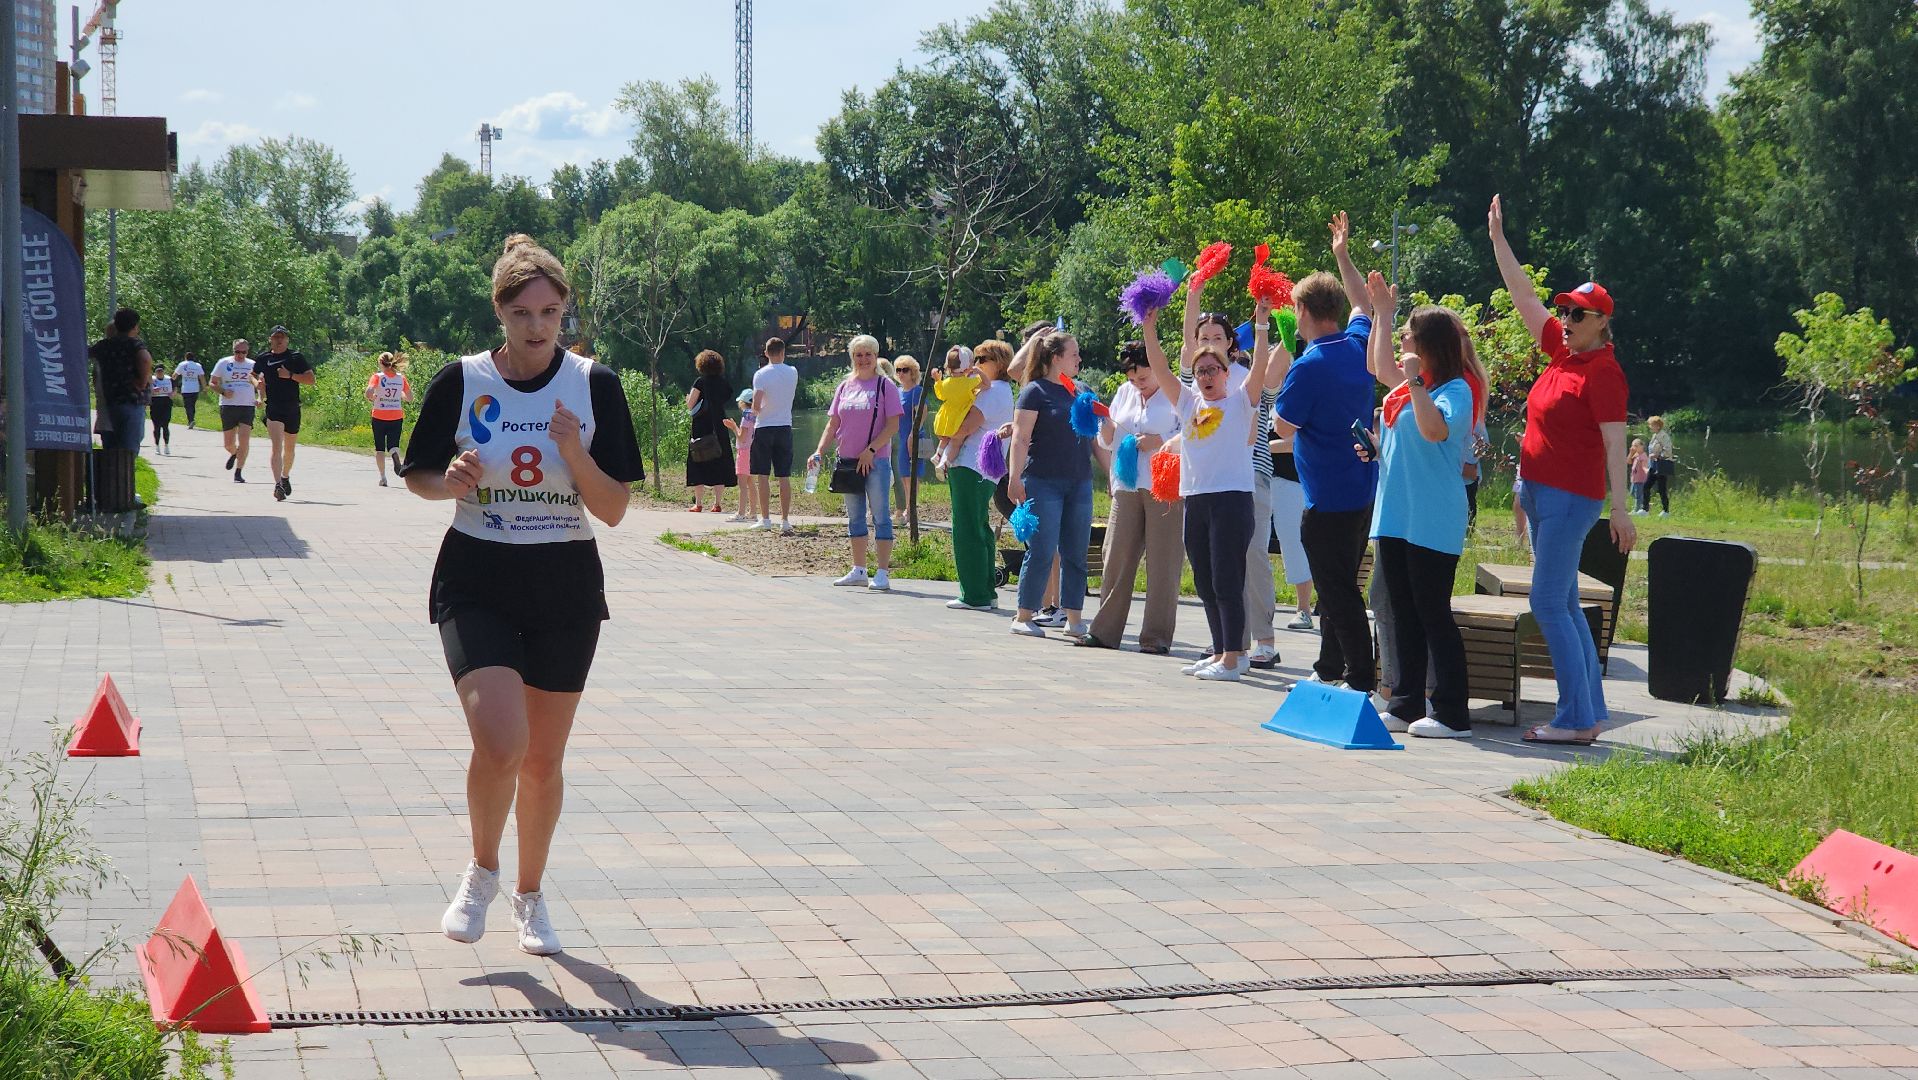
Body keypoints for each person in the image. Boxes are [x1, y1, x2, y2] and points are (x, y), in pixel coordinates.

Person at [403, 234, 645, 956]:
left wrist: (575, 455)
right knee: (502, 740)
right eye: (523, 313)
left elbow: (614, 508)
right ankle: (481, 872)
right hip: (477, 576)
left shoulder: (594, 385)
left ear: (565, 310)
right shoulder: (463, 379)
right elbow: (416, 471)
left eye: (551, 311)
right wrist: (444, 480)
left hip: (563, 583)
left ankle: (531, 898)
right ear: (500, 313)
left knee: (542, 761)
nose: (538, 327)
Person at [1489, 194, 1635, 744]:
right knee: (1566, 603)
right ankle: (1589, 713)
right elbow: (1522, 295)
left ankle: (1575, 719)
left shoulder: (1603, 372)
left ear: (1603, 324)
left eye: (1579, 314)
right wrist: (1500, 240)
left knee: (1548, 602)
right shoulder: (1561, 354)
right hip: (1541, 493)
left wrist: (1621, 510)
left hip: (1573, 499)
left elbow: (1614, 440)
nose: (1567, 319)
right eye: (1566, 311)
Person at [1142, 289, 1286, 681]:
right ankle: (1222, 649)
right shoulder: (1188, 404)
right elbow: (1162, 368)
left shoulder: (1241, 401)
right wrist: (1149, 329)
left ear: (1226, 372)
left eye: (1213, 370)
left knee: (1226, 577)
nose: (1206, 376)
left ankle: (1235, 657)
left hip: (1233, 499)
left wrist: (1261, 323)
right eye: (1201, 370)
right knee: (1205, 579)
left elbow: (1258, 367)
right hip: (1197, 499)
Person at [1358, 272, 1480, 738]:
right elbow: (1378, 364)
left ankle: (1452, 712)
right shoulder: (1410, 388)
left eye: (1409, 334)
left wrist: (1412, 381)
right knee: (1404, 612)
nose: (1403, 342)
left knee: (1433, 614)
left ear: (1428, 347)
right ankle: (1407, 702)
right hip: (1395, 516)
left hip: (1431, 521)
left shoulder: (1454, 391)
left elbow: (1434, 431)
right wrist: (1383, 315)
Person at [1270, 213, 1379, 692]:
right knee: (1343, 584)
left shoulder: (1308, 366)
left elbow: (1282, 425)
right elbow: (1363, 302)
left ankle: (1359, 677)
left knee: (1335, 593)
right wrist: (1342, 254)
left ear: (1305, 312)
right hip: (1361, 493)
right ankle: (1329, 667)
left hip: (1327, 499)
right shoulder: (1359, 344)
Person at [1082, 341, 1181, 653]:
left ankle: (1156, 636)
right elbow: (1108, 439)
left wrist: (1161, 440)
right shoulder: (1124, 393)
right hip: (1126, 484)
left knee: (1163, 560)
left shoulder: (1176, 390)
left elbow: (1191, 432)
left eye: (1144, 377)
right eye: (1133, 378)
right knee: (1116, 555)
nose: (1139, 384)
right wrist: (1106, 426)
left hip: (1164, 485)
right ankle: (1104, 631)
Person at [1005, 327, 1096, 639]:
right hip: (1043, 482)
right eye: (1074, 354)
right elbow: (1020, 438)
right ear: (1057, 358)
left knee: (1076, 551)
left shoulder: (1082, 391)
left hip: (1080, 483)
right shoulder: (1035, 391)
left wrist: (1112, 473)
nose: (1079, 359)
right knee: (1042, 549)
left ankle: (1074, 618)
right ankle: (1023, 614)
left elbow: (1094, 437)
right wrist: (1015, 478)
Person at [811, 336, 904, 590]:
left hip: (876, 462)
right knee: (854, 517)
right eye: (858, 355)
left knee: (881, 516)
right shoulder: (844, 387)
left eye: (868, 354)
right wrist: (819, 451)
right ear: (853, 358)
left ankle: (883, 573)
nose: (863, 359)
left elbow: (893, 425)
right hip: (848, 462)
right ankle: (859, 569)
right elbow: (833, 424)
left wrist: (871, 450)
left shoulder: (886, 386)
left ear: (876, 356)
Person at [945, 341, 1015, 612]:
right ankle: (986, 590)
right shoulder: (1001, 390)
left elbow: (966, 425)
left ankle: (974, 594)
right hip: (984, 467)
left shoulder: (993, 390)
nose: (975, 362)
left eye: (982, 358)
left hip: (971, 464)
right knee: (979, 525)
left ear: (999, 362)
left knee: (966, 528)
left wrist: (946, 445)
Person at [256, 326, 314, 502]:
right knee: (277, 446)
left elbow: (311, 380)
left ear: (287, 340)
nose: (279, 340)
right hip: (274, 406)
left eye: (282, 337)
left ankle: (285, 476)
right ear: (270, 340)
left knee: (289, 449)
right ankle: (277, 485)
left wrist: (290, 375)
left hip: (292, 407)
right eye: (276, 337)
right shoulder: (263, 358)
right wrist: (257, 382)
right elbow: (252, 375)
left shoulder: (295, 357)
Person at [750, 337, 799, 535]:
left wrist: (757, 411)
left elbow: (756, 405)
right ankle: (785, 520)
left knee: (763, 474)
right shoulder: (793, 372)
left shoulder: (760, 374)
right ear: (783, 352)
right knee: (783, 475)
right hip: (785, 426)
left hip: (764, 426)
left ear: (766, 353)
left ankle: (766, 519)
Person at [1269, 429, 1315, 630]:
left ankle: (1303, 609)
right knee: (1252, 546)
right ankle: (1258, 608)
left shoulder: (1291, 398)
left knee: (1294, 543)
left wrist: (1260, 448)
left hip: (1291, 478)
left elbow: (1296, 441)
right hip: (1254, 477)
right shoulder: (1251, 398)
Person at [89, 308, 152, 452]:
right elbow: (145, 358)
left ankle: (114, 472)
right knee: (129, 447)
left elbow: (86, 352)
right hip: (132, 400)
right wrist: (142, 381)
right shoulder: (134, 344)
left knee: (112, 447)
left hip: (111, 399)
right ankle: (126, 472)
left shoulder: (105, 345)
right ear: (135, 326)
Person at [684, 350, 735, 513]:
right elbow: (726, 397)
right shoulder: (723, 383)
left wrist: (687, 399)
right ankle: (717, 503)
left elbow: (691, 404)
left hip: (701, 425)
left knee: (698, 461)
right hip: (719, 425)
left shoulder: (700, 382)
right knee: (718, 462)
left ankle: (698, 504)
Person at [210, 339, 258, 483]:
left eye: (244, 352)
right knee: (228, 444)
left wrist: (260, 398)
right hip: (228, 405)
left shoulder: (252, 365)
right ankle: (234, 453)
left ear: (247, 352)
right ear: (233, 351)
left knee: (244, 441)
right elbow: (212, 383)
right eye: (237, 352)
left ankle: (238, 472)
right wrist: (223, 391)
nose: (240, 355)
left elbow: (260, 384)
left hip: (247, 406)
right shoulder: (224, 363)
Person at [931, 346, 983, 472]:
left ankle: (938, 454)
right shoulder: (968, 382)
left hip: (946, 416)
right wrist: (979, 372)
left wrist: (938, 380)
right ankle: (945, 463)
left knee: (945, 438)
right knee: (957, 442)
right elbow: (985, 384)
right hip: (959, 417)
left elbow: (940, 395)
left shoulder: (947, 382)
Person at [365, 351, 413, 487]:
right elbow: (410, 398)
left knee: (379, 448)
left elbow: (368, 392)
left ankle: (383, 477)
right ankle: (395, 456)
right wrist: (401, 396)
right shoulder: (401, 378)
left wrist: (372, 397)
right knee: (393, 444)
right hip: (396, 415)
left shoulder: (377, 377)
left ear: (381, 363)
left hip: (379, 415)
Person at [890, 355, 923, 520]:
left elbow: (922, 414)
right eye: (898, 370)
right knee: (903, 474)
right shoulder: (897, 391)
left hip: (912, 437)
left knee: (912, 474)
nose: (901, 373)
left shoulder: (917, 391)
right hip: (900, 436)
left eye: (905, 370)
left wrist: (913, 434)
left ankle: (911, 510)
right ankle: (908, 508)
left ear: (913, 372)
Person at [727, 388, 759, 522]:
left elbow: (741, 437)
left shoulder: (746, 415)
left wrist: (734, 427)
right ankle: (752, 512)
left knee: (742, 484)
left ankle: (740, 513)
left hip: (744, 452)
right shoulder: (756, 415)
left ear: (743, 402)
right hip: (753, 451)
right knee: (751, 483)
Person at [1645, 415, 1674, 516]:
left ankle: (1666, 511)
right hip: (1654, 465)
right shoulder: (1654, 436)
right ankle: (1645, 510)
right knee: (1646, 486)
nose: (1650, 427)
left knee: (1661, 489)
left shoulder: (1664, 436)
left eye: (1652, 425)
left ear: (1657, 426)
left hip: (1662, 465)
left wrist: (1657, 455)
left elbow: (1668, 450)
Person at [173, 352, 206, 430]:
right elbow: (202, 377)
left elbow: (174, 375)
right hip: (195, 388)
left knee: (187, 405)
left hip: (186, 388)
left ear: (185, 357)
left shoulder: (182, 364)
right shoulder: (198, 366)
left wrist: (172, 384)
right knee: (192, 405)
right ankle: (192, 419)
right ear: (193, 358)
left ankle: (191, 420)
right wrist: (204, 388)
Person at [148, 364, 175, 454]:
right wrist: (152, 391)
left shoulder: (169, 379)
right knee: (157, 426)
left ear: (163, 372)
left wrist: (173, 394)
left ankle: (166, 445)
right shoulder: (152, 380)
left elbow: (175, 388)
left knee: (165, 425)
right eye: (158, 372)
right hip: (155, 403)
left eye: (161, 371)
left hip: (166, 402)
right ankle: (157, 446)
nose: (160, 373)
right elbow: (147, 390)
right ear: (155, 373)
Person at [1628, 437, 1651, 514]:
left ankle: (1636, 510)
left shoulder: (1643, 456)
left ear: (1642, 446)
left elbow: (1644, 466)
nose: (1634, 447)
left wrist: (1647, 470)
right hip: (1634, 479)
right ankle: (1644, 504)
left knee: (1638, 496)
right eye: (1633, 446)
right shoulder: (1636, 455)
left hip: (1640, 480)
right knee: (1632, 493)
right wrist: (1631, 453)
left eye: (1636, 446)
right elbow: (1628, 461)